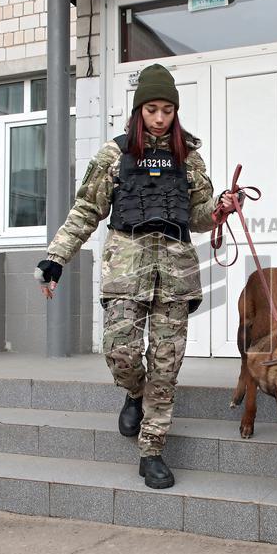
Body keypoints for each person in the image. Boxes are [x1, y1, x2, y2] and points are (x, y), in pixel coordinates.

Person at [35, 64, 237, 489]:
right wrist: (56, 259)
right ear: (138, 110)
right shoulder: (113, 154)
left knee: (166, 365)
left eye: (167, 109)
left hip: (177, 273)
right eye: (152, 109)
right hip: (125, 268)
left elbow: (199, 217)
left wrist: (220, 208)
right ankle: (133, 392)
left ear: (175, 112)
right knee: (121, 354)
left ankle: (152, 451)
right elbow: (86, 210)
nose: (160, 117)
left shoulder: (190, 157)